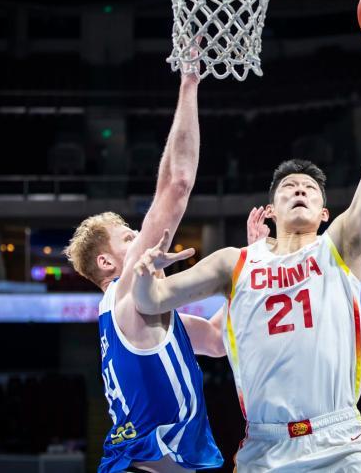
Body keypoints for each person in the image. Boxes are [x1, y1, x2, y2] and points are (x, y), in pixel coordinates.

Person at [131, 0, 361, 471]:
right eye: (288, 188)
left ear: (324, 212)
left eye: (310, 188)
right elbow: (151, 301)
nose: (299, 189)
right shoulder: (234, 262)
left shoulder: (340, 245)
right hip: (265, 447)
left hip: (341, 441)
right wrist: (143, 273)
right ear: (271, 211)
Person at [64, 51, 225, 472]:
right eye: (128, 237)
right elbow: (177, 185)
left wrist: (247, 267)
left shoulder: (139, 314)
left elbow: (216, 340)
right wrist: (189, 83)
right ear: (106, 262)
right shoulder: (125, 295)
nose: (140, 238)